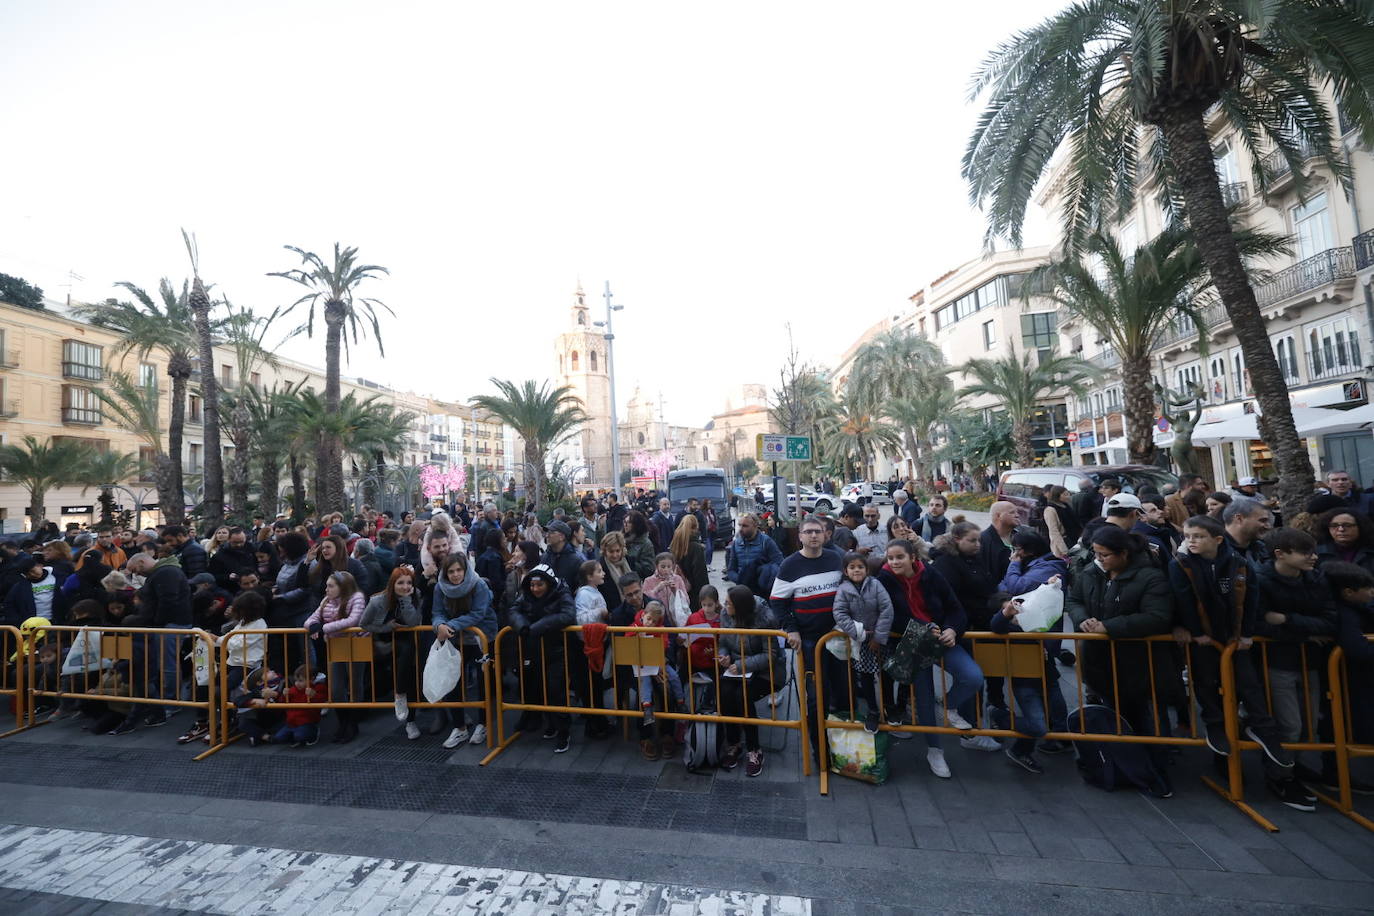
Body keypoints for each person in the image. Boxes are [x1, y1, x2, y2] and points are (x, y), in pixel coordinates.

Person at [1170, 514, 1298, 799]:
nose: (1191, 541)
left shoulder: (1239, 564)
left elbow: (1250, 598)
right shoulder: (1180, 564)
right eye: (1188, 536)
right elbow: (1182, 600)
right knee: (1205, 684)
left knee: (1248, 684)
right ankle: (1215, 726)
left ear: (1217, 539)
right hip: (1203, 641)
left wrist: (1247, 634)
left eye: (1198, 536)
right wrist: (1194, 631)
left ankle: (1264, 730)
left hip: (1233, 638)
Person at [1066, 526, 1175, 792]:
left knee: (1145, 722)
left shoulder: (1150, 577)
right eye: (1096, 554)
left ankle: (1154, 774)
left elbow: (1158, 617)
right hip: (1099, 663)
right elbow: (1074, 599)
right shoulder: (1092, 573)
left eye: (1104, 555)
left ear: (1123, 554)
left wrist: (1110, 627)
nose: (1099, 559)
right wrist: (1083, 620)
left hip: (1138, 666)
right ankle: (1120, 767)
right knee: (1113, 718)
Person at [877, 538, 988, 776]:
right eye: (890, 558)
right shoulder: (883, 579)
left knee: (973, 676)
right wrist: (920, 627)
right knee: (923, 696)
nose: (894, 562)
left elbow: (954, 607)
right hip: (912, 642)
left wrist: (951, 629)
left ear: (913, 558)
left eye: (899, 557)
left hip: (941, 637)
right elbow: (888, 615)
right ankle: (934, 750)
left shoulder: (932, 574)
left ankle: (948, 705)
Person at [1255, 527, 1337, 802]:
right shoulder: (1261, 580)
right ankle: (1280, 776)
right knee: (1290, 724)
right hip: (1278, 663)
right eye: (1305, 553)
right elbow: (1260, 624)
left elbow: (1330, 621)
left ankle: (1290, 767)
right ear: (1280, 554)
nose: (1313, 557)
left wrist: (1288, 620)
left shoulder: (1315, 579)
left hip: (1308, 662)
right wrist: (1306, 631)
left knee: (1308, 724)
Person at [772, 516, 846, 764]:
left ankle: (844, 746)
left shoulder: (837, 559)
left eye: (818, 531)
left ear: (826, 535)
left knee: (844, 693)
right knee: (816, 698)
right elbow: (778, 602)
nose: (814, 536)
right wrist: (791, 629)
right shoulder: (789, 565)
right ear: (800, 536)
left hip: (838, 636)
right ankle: (820, 751)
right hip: (809, 640)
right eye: (809, 532)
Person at [715, 585, 785, 777]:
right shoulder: (725, 615)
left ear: (739, 607)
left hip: (766, 671)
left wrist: (742, 664)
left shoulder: (764, 619)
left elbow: (770, 655)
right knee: (724, 692)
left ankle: (755, 749)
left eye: (728, 603)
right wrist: (724, 656)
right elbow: (723, 642)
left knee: (742, 695)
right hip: (736, 668)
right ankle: (734, 743)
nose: (724, 605)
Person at [430, 552, 497, 748]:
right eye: (451, 571)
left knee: (484, 683)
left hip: (482, 637)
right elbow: (436, 612)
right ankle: (459, 727)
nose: (456, 575)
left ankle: (483, 724)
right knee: (452, 682)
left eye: (459, 570)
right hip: (455, 639)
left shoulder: (479, 585)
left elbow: (478, 613)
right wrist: (439, 625)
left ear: (466, 569)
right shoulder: (439, 587)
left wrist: (449, 625)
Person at [508, 564, 577, 753]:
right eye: (532, 585)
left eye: (539, 585)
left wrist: (538, 626)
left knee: (557, 691)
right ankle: (551, 723)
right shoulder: (526, 596)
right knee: (536, 688)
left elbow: (568, 615)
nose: (535, 589)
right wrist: (522, 625)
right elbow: (513, 609)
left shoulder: (562, 593)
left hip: (557, 651)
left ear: (548, 583)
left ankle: (564, 730)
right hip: (533, 650)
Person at [832, 551, 895, 733]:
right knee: (866, 677)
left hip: (880, 640)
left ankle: (889, 707)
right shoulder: (843, 590)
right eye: (852, 567)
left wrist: (878, 637)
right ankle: (873, 711)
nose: (856, 570)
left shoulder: (876, 585)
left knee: (887, 674)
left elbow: (886, 609)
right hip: (861, 641)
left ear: (866, 569)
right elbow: (840, 614)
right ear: (846, 571)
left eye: (860, 567)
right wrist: (857, 633)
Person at [361, 564, 424, 739]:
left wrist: (405, 600)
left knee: (410, 673)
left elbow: (413, 622)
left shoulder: (415, 596)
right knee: (404, 661)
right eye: (400, 583)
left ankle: (408, 714)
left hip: (409, 642)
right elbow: (364, 624)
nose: (405, 587)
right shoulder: (377, 601)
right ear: (392, 584)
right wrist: (386, 628)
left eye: (409, 583)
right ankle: (400, 694)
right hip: (385, 641)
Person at [304, 571, 367, 743]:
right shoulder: (326, 600)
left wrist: (323, 628)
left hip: (356, 643)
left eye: (331, 586)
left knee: (355, 685)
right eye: (327, 586)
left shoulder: (357, 597)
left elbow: (353, 620)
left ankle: (352, 724)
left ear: (343, 586)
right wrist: (313, 625)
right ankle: (343, 721)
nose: (326, 589)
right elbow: (310, 619)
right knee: (337, 688)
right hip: (335, 645)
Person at [1325, 562, 1374, 758]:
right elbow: (1358, 648)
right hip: (1353, 682)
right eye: (1368, 589)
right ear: (1348, 592)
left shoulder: (1356, 609)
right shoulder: (1346, 615)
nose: (1372, 592)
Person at [726, 514, 784, 597]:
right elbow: (731, 570)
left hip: (762, 591)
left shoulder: (766, 542)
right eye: (740, 525)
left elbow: (780, 563)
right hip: (742, 591)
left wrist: (765, 574)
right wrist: (741, 580)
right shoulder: (736, 543)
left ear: (755, 526)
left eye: (745, 526)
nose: (741, 529)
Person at [1, 556, 68, 626]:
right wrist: (18, 621)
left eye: (33, 571)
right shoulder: (20, 586)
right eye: (28, 574)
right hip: (32, 623)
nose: (32, 574)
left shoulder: (58, 577)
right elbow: (9, 604)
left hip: (56, 621)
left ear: (40, 566)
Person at [998, 530, 1067, 597]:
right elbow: (1003, 582)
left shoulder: (1048, 568)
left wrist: (1014, 563)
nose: (1013, 554)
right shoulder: (1029, 562)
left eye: (1016, 549)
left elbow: (1015, 588)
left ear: (1030, 551)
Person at [273, 665, 326, 747]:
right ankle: (295, 737)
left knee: (300, 736)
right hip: (291, 723)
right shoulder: (293, 689)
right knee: (278, 738)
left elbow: (323, 700)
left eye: (300, 680)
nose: (297, 683)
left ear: (311, 679)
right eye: (296, 680)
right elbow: (282, 702)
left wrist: (314, 696)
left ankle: (313, 733)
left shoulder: (318, 688)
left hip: (308, 722)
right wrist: (284, 696)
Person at [1313, 507, 1374, 576]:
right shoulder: (1317, 554)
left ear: (1360, 527)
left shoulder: (1370, 551)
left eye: (1347, 525)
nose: (1341, 529)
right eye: (1334, 525)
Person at [669, 515, 709, 611]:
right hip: (693, 595)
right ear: (696, 527)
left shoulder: (674, 544)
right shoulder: (696, 548)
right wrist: (706, 595)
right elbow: (700, 576)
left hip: (678, 591)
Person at [1223, 496, 1273, 567]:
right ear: (1239, 519)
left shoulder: (1262, 548)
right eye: (1262, 520)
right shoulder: (1216, 552)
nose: (1268, 526)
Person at [644, 552, 690, 624]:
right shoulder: (648, 581)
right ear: (657, 566)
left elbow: (686, 601)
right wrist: (657, 589)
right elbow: (645, 600)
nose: (666, 569)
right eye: (663, 567)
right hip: (658, 619)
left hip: (676, 618)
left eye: (669, 566)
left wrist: (675, 592)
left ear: (673, 566)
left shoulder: (678, 579)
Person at [979, 501, 1018, 583]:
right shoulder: (982, 541)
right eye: (1012, 512)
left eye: (1017, 512)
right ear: (998, 515)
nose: (1017, 515)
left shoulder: (1022, 537)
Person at [209, 527, 258, 594]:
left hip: (254, 588)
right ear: (229, 540)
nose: (239, 545)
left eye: (241, 542)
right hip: (232, 591)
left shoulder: (252, 550)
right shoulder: (219, 556)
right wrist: (227, 577)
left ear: (245, 539)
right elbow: (213, 576)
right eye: (235, 542)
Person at [1040, 485, 1081, 558]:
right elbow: (1054, 531)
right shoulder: (1050, 509)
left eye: (1068, 493)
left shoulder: (1066, 506)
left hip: (1074, 539)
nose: (1068, 496)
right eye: (1065, 494)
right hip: (1063, 543)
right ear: (1057, 496)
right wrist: (1064, 550)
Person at [541, 521, 583, 589]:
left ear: (561, 537)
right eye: (547, 532)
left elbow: (580, 586)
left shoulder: (576, 560)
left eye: (551, 532)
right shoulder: (544, 557)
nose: (547, 535)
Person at [622, 511, 658, 580]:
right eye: (624, 522)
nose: (625, 525)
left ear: (636, 524)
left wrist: (629, 560)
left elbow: (649, 570)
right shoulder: (621, 539)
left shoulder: (645, 543)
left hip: (636, 581)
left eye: (629, 522)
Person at [575, 560, 609, 624]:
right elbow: (580, 619)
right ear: (589, 577)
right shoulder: (584, 594)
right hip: (589, 633)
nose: (603, 573)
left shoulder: (595, 591)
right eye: (599, 571)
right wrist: (600, 611)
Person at [701, 498, 720, 566]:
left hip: (713, 531)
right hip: (706, 532)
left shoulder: (712, 511)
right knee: (708, 548)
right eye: (708, 503)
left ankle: (709, 563)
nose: (709, 505)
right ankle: (705, 563)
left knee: (712, 548)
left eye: (710, 503)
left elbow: (715, 520)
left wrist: (717, 527)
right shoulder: (702, 512)